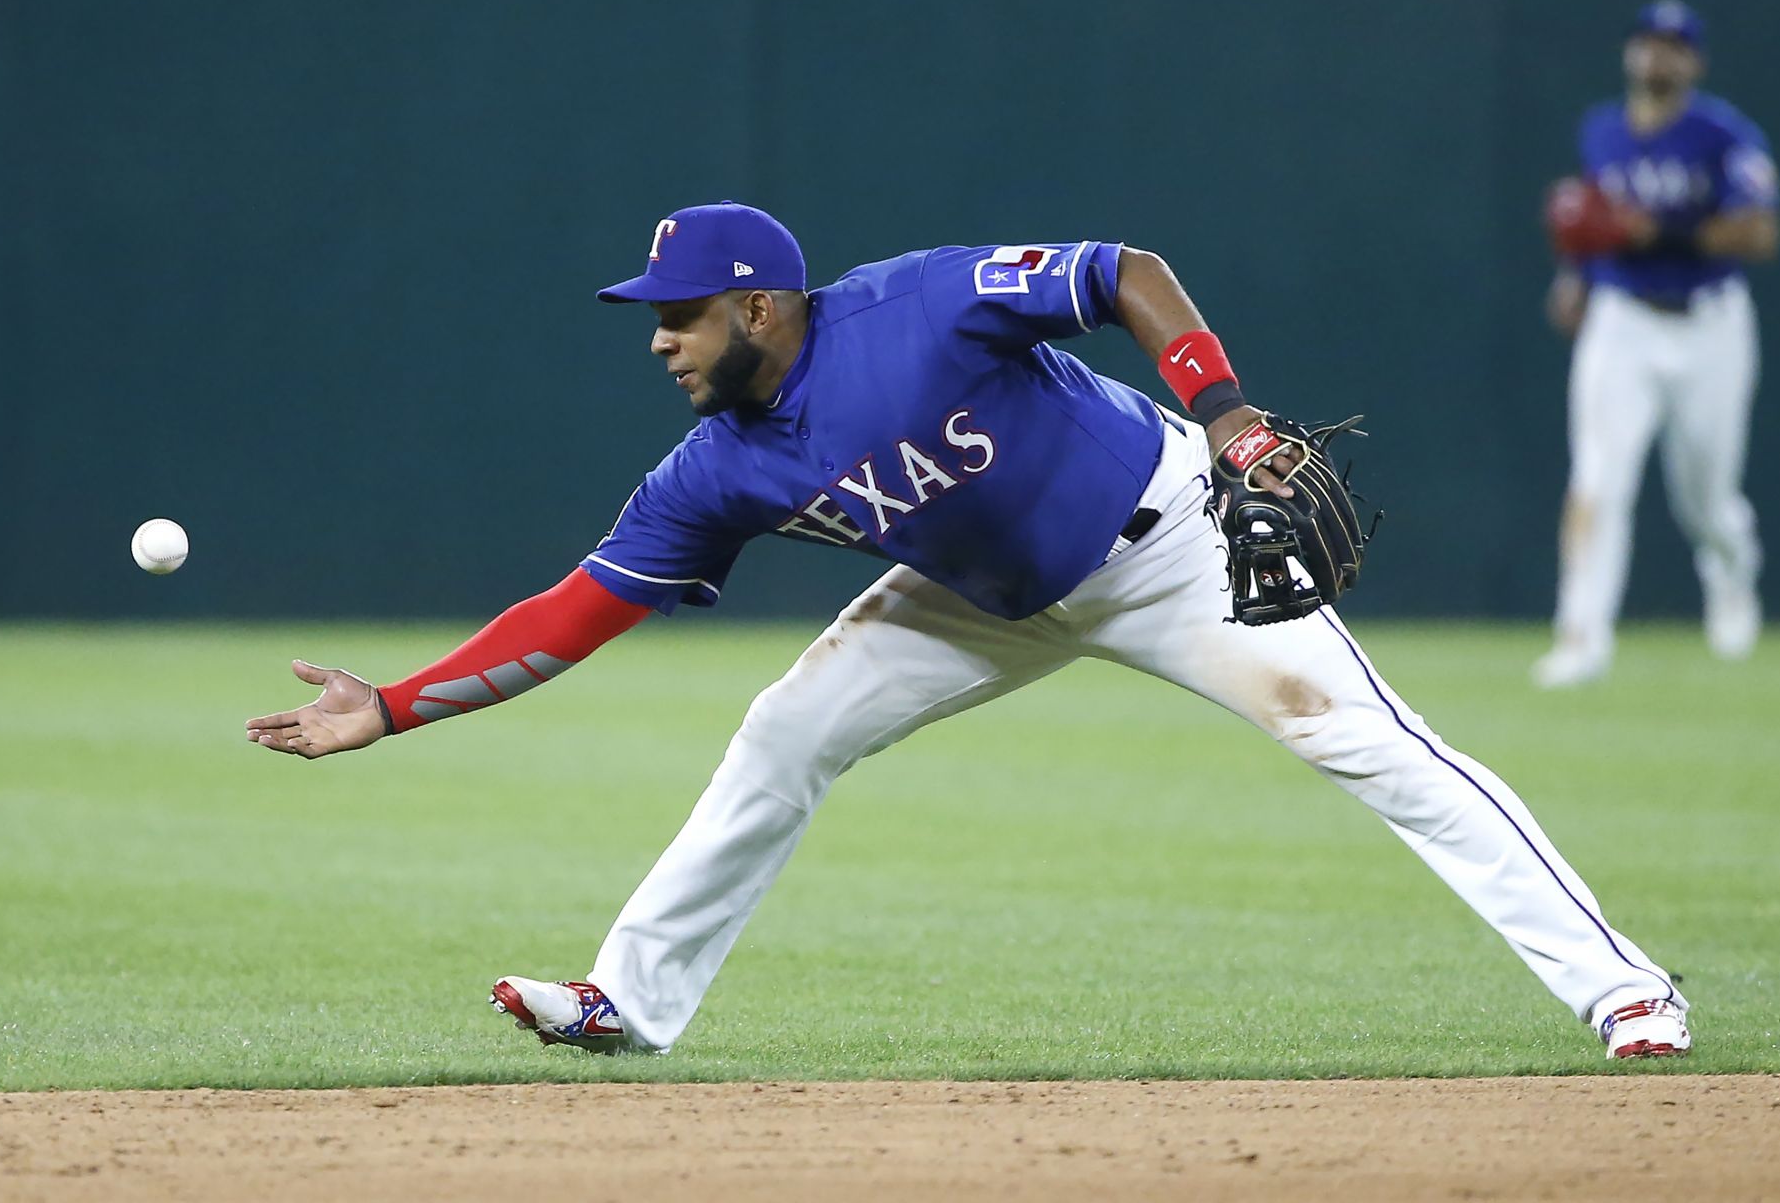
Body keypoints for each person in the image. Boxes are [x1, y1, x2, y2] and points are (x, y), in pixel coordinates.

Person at [246, 200, 1691, 1060]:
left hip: (1168, 539)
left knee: (1369, 744)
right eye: (652, 316)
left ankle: (1627, 988)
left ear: (759, 300)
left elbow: (1123, 268)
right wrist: (399, 705)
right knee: (783, 730)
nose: (658, 338)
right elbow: (578, 608)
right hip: (974, 599)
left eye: (680, 313)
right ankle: (628, 998)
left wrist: (1230, 411)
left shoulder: (920, 305)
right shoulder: (716, 464)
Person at [1536, 0, 1780, 689]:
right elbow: (1596, 224)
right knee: (1597, 479)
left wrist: (1662, 234)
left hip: (1710, 321)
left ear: (1694, 62)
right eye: (1647, 42)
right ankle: (1580, 635)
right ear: (1629, 53)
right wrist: (1576, 278)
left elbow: (1761, 233)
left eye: (1674, 46)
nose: (1658, 56)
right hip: (1623, 321)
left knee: (1705, 491)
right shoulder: (1602, 132)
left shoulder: (1723, 135)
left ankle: (1730, 569)